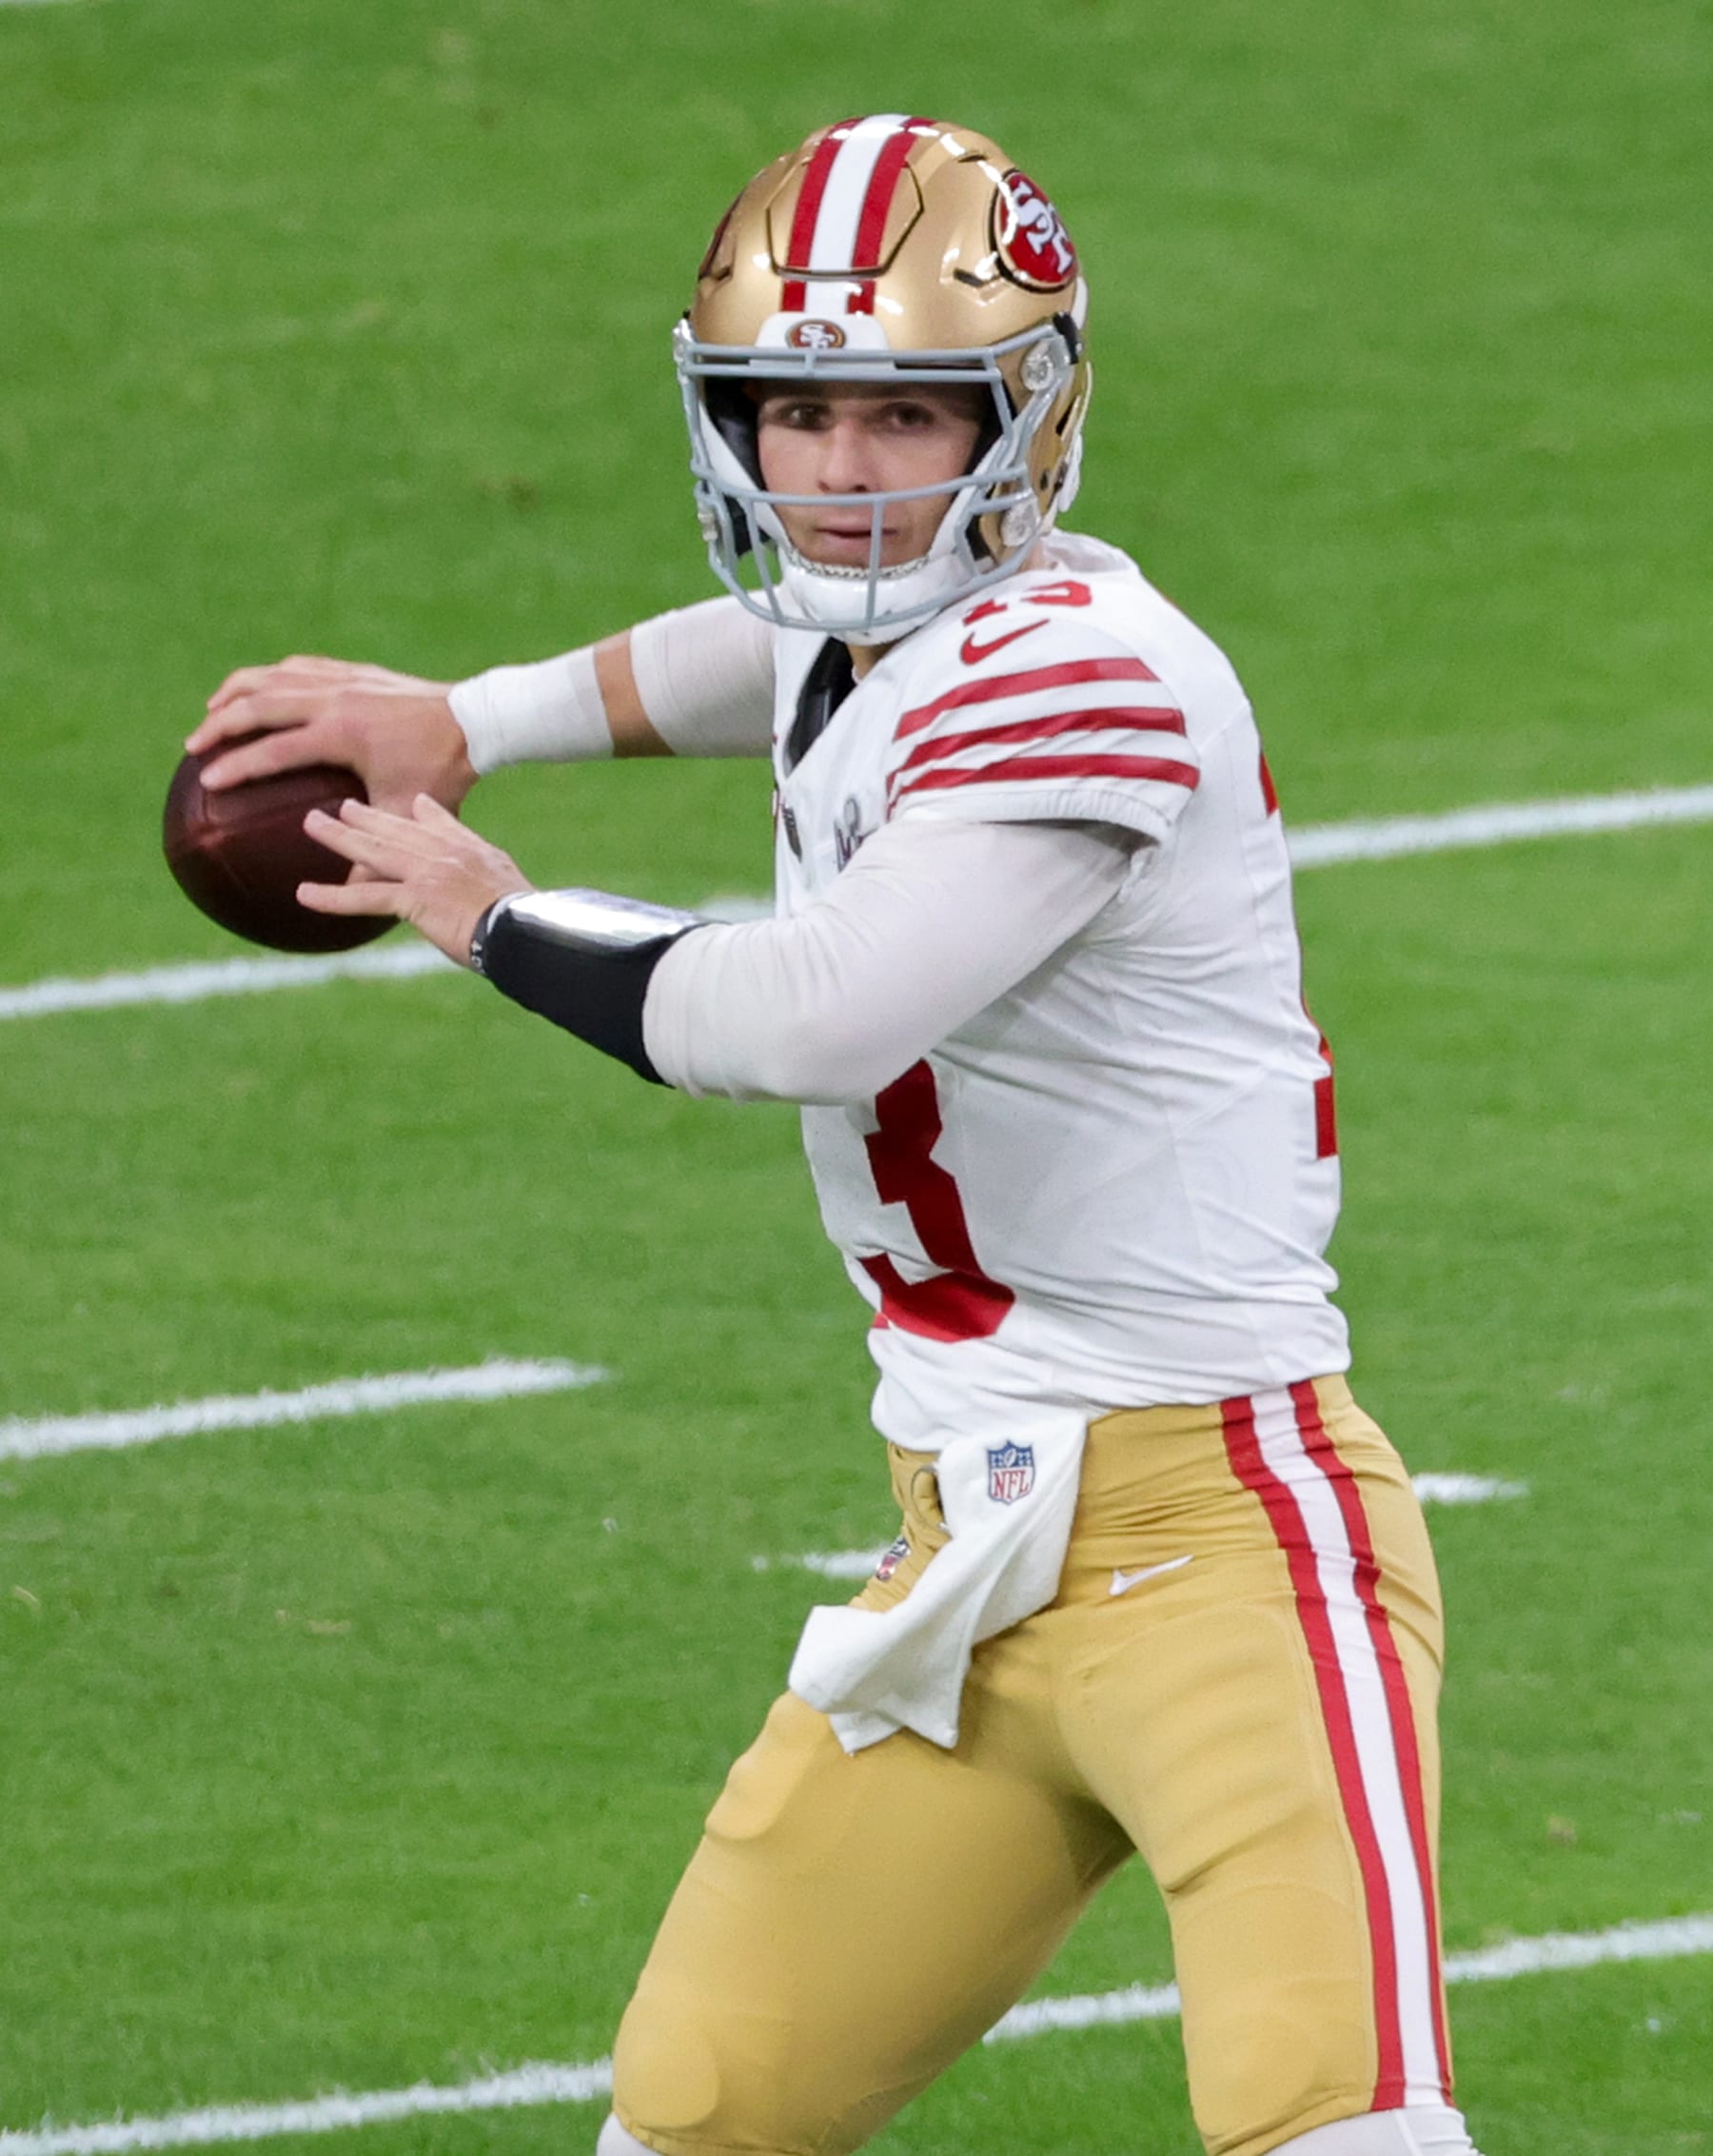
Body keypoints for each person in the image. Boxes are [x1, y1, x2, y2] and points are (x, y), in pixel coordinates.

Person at [190, 116, 1486, 2156]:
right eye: (795, 412)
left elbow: (812, 1015)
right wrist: (475, 713)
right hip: (968, 1554)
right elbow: (771, 649)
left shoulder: (1091, 676)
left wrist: (491, 911)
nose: (843, 472)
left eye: (904, 413)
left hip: (1223, 1537)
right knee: (695, 2113)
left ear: (1024, 417)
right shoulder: (874, 618)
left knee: (1336, 2124)